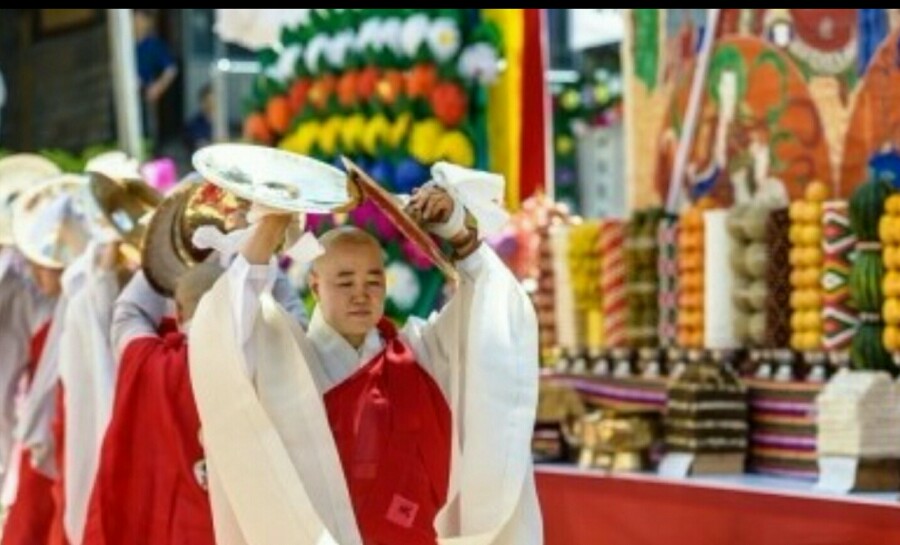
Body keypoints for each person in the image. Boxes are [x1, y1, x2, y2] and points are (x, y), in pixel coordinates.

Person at [189, 163, 542, 544]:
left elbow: (492, 313)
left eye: (373, 281)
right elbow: (224, 331)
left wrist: (460, 234)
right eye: (345, 282)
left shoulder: (421, 355)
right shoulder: (288, 365)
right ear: (315, 286)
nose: (361, 294)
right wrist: (269, 227)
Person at [133, 9, 178, 154]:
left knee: (146, 134)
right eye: (135, 19)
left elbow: (171, 69)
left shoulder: (154, 44)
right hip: (124, 94)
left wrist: (158, 87)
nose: (137, 23)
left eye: (141, 20)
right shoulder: (124, 44)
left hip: (144, 94)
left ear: (148, 22)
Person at [184, 83, 214, 155]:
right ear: (202, 103)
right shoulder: (193, 125)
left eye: (213, 102)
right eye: (208, 102)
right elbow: (199, 145)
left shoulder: (224, 124)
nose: (211, 105)